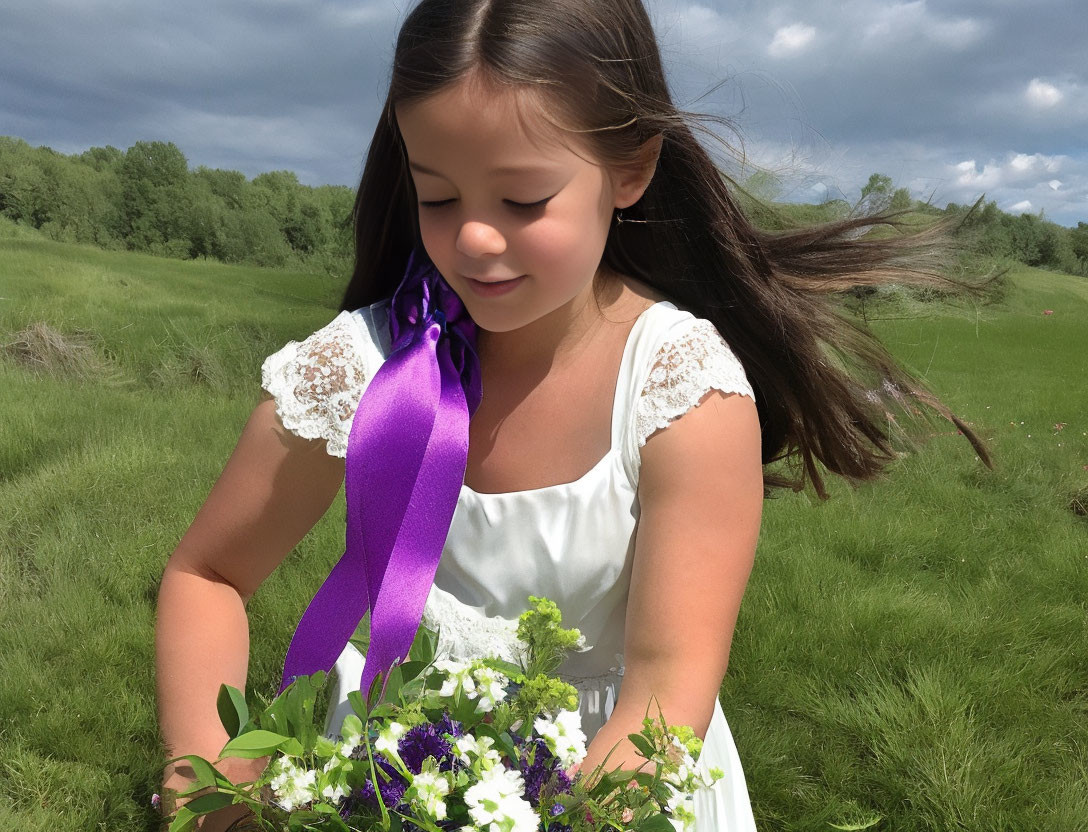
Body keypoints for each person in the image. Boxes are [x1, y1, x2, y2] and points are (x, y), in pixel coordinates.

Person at [155, 1, 994, 829]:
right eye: (437, 197)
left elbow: (667, 689)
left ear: (630, 170)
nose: (475, 239)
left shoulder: (680, 392)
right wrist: (208, 783)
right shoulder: (366, 367)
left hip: (616, 788)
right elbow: (210, 575)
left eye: (523, 201)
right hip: (388, 774)